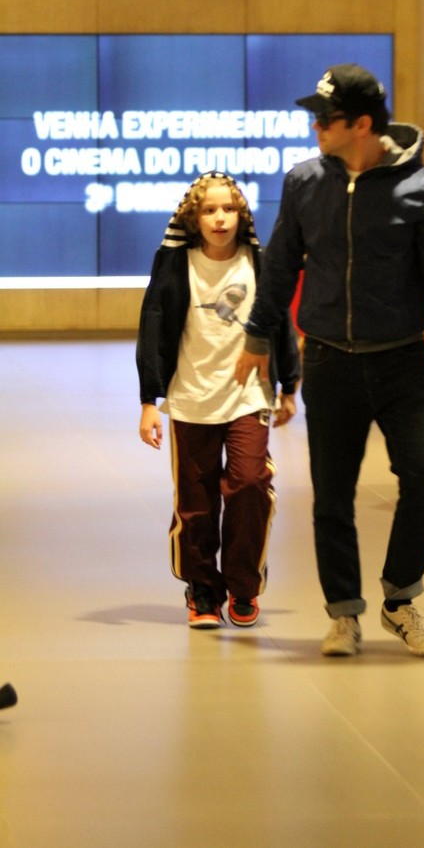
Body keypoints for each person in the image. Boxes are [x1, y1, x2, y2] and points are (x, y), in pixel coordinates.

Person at [235, 64, 424, 657]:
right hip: (330, 362)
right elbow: (280, 269)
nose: (316, 127)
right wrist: (257, 338)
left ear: (362, 123)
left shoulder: (419, 188)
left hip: (402, 361)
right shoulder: (304, 182)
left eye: (326, 119)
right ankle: (343, 613)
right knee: (333, 496)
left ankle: (400, 600)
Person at [137, 171, 299, 630]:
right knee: (196, 501)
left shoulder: (258, 262)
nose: (220, 217)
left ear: (241, 215)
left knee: (248, 483)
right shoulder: (175, 264)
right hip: (191, 398)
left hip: (249, 395)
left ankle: (244, 584)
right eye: (209, 209)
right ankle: (203, 590)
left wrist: (289, 385)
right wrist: (150, 398)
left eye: (228, 208)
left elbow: (280, 323)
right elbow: (154, 327)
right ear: (194, 217)